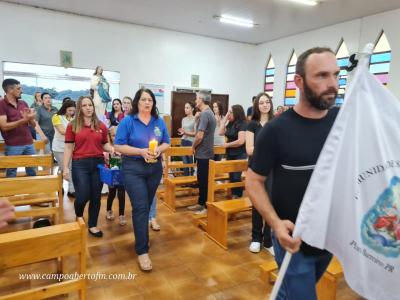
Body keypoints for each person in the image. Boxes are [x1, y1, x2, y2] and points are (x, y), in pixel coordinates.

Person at [246, 47, 340, 299]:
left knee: (289, 292)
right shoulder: (276, 130)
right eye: (321, 75)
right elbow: (253, 182)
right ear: (298, 81)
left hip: (330, 233)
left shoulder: (342, 121)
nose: (332, 84)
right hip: (292, 237)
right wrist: (275, 224)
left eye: (336, 75)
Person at [114, 88, 170, 272]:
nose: (147, 103)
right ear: (137, 102)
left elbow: (167, 143)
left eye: (150, 100)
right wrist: (140, 151)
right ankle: (142, 250)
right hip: (133, 169)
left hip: (154, 169)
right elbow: (118, 146)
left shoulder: (158, 121)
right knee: (140, 207)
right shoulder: (128, 121)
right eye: (144, 99)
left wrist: (158, 150)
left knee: (145, 205)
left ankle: (142, 238)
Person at [63, 96, 114, 238]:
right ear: (80, 108)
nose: (88, 107)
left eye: (90, 105)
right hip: (80, 163)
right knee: (83, 195)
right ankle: (79, 215)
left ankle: (92, 225)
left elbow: (104, 144)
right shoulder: (72, 125)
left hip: (98, 163)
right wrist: (65, 168)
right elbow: (68, 147)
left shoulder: (101, 125)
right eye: (84, 105)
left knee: (96, 196)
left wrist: (111, 148)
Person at [246, 92, 274, 254]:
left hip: (272, 169)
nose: (264, 105)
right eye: (261, 102)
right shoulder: (253, 125)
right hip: (256, 168)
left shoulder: (275, 123)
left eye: (267, 102)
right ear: (257, 105)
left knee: (270, 204)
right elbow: (249, 149)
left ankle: (268, 241)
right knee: (258, 203)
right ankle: (256, 238)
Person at [0, 79, 44, 177]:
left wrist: (31, 118)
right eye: (18, 88)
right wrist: (23, 120)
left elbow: (32, 125)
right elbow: (3, 126)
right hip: (13, 145)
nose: (21, 91)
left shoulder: (23, 103)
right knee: (11, 172)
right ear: (10, 90)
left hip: (29, 143)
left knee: (32, 170)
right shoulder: (1, 104)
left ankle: (32, 192)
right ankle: (11, 192)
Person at [187, 91, 216, 215]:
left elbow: (199, 136)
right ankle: (200, 203)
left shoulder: (205, 114)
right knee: (202, 179)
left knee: (204, 181)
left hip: (204, 153)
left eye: (196, 98)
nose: (195, 101)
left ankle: (205, 206)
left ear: (202, 99)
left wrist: (192, 147)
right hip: (206, 152)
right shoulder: (209, 113)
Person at [219, 104, 247, 198]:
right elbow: (220, 132)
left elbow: (241, 141)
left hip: (239, 153)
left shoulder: (243, 124)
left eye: (231, 112)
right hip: (230, 153)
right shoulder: (231, 123)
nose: (229, 114)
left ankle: (237, 196)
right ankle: (234, 194)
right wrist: (225, 119)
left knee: (236, 176)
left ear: (237, 113)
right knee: (231, 175)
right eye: (228, 112)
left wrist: (228, 144)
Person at [52, 99, 76, 197]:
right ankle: (70, 189)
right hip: (59, 147)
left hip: (70, 147)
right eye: (70, 110)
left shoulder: (72, 118)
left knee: (68, 168)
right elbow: (62, 131)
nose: (71, 112)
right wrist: (77, 130)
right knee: (65, 168)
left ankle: (67, 188)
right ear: (64, 108)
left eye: (73, 111)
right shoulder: (56, 117)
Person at [105, 126, 127, 226]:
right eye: (114, 135)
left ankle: (122, 214)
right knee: (112, 193)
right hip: (112, 175)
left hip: (122, 174)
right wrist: (107, 161)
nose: (116, 137)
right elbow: (105, 161)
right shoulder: (108, 148)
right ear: (109, 136)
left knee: (122, 194)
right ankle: (109, 210)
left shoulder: (124, 147)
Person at [177, 102, 195, 176]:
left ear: (192, 109)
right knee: (184, 162)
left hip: (191, 142)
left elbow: (195, 133)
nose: (185, 109)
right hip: (183, 141)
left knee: (190, 162)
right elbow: (183, 131)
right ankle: (185, 179)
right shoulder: (183, 119)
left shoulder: (195, 119)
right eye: (185, 107)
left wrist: (185, 132)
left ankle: (191, 179)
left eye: (187, 107)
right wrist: (182, 132)